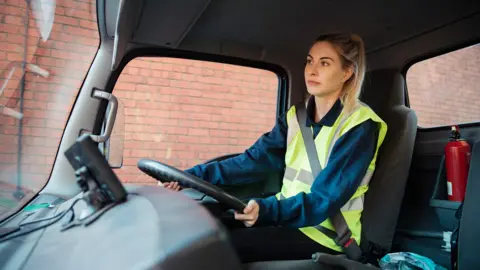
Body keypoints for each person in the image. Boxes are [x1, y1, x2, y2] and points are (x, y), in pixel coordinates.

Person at [164, 33, 388, 263]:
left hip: (324, 234)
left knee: (214, 250)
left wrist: (267, 210)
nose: (312, 70)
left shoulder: (359, 125)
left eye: (325, 63)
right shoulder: (296, 117)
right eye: (309, 61)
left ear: (346, 73)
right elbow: (251, 162)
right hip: (289, 219)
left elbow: (324, 199)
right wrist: (189, 176)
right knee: (204, 232)